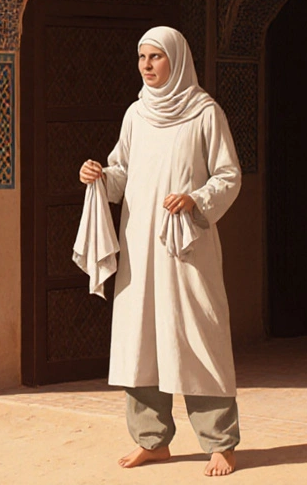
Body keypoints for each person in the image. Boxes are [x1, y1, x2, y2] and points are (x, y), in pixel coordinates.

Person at [79, 26, 243, 477]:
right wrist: (98, 175)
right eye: (142, 57)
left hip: (186, 246)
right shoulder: (136, 115)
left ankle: (220, 442)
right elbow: (121, 174)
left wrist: (196, 199)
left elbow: (228, 176)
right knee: (141, 338)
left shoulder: (205, 113)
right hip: (140, 246)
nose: (147, 66)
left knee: (198, 335)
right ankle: (152, 440)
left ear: (178, 59)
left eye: (156, 57)